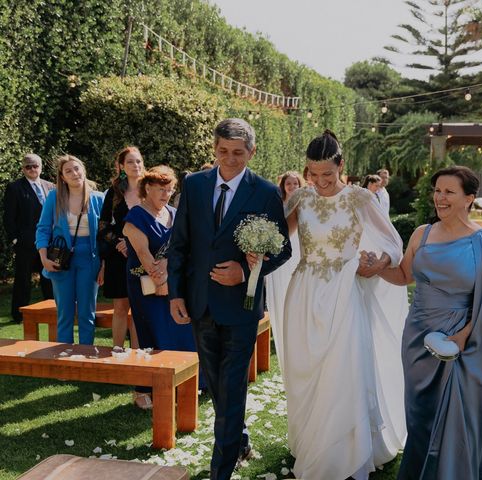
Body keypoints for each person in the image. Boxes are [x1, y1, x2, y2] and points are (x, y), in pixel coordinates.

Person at [168, 118, 291, 480]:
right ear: (214, 149)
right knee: (218, 386)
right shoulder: (193, 184)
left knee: (232, 385)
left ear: (251, 152)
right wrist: (176, 293)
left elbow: (280, 250)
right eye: (223, 151)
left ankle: (220, 471)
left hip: (241, 306)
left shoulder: (266, 192)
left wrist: (245, 270)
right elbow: (180, 245)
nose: (230, 159)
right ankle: (239, 440)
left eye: (238, 153)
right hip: (200, 302)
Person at [374, 165, 482, 479]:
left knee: (453, 417)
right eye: (437, 190)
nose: (440, 197)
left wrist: (464, 335)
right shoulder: (421, 233)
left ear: (469, 198)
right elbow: (404, 275)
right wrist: (376, 267)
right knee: (420, 415)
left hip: (460, 344)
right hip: (417, 339)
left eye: (449, 191)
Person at [281, 130, 406, 480]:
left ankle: (347, 452)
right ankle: (312, 442)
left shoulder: (359, 199)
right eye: (313, 174)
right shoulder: (301, 199)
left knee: (343, 368)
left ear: (341, 167)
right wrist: (258, 246)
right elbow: (280, 241)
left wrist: (377, 263)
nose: (320, 182)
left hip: (345, 290)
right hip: (305, 291)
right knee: (308, 370)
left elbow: (394, 244)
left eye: (327, 175)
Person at [123, 165, 197, 410]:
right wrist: (160, 280)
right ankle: (142, 390)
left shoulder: (174, 213)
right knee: (150, 335)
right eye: (161, 189)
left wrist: (168, 273)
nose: (166, 194)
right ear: (147, 188)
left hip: (173, 283)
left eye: (170, 189)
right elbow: (143, 252)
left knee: (181, 332)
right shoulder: (135, 215)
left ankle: (183, 382)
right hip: (145, 286)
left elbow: (183, 247)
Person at [35, 155, 104, 344]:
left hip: (90, 259)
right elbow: (43, 228)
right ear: (62, 177)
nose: (74, 173)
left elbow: (106, 235)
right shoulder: (54, 197)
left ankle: (85, 357)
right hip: (60, 259)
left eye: (77, 168)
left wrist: (104, 264)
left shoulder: (99, 198)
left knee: (86, 313)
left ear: (83, 170)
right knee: (64, 313)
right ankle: (64, 360)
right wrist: (43, 257)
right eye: (68, 171)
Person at [98, 146, 143, 348]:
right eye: (131, 162)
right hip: (119, 256)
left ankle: (137, 353)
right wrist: (119, 242)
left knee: (139, 308)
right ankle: (117, 352)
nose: (136, 165)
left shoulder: (150, 188)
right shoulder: (114, 192)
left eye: (139, 161)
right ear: (122, 166)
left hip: (144, 255)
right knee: (120, 307)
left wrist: (135, 242)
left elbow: (162, 221)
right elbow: (103, 225)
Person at [3, 153, 54, 323]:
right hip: (26, 242)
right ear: (23, 168)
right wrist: (15, 239)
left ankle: (51, 311)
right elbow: (9, 217)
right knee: (23, 279)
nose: (32, 169)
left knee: (49, 277)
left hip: (49, 241)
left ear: (41, 167)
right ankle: (19, 315)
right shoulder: (15, 187)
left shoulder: (50, 186)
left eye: (35, 166)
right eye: (28, 166)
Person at [264, 170, 304, 373]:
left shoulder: (304, 202)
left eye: (295, 183)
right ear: (283, 186)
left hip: (297, 248)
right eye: (289, 184)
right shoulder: (278, 204)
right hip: (282, 249)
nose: (292, 187)